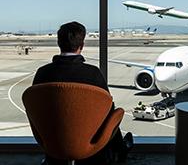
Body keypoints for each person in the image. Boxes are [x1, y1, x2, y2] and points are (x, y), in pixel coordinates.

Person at [32, 21, 133, 165]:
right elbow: (107, 110)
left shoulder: (42, 73)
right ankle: (119, 151)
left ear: (58, 43)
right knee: (112, 113)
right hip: (89, 145)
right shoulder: (93, 74)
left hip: (52, 142)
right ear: (82, 45)